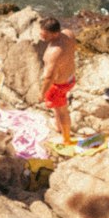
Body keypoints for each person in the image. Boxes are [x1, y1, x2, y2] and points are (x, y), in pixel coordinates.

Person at [39, 16, 77, 144]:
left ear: (55, 33)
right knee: (57, 107)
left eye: (45, 36)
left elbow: (49, 78)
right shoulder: (68, 34)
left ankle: (66, 139)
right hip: (71, 77)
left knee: (62, 111)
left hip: (60, 85)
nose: (42, 37)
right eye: (41, 33)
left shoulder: (53, 53)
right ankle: (58, 126)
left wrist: (42, 94)